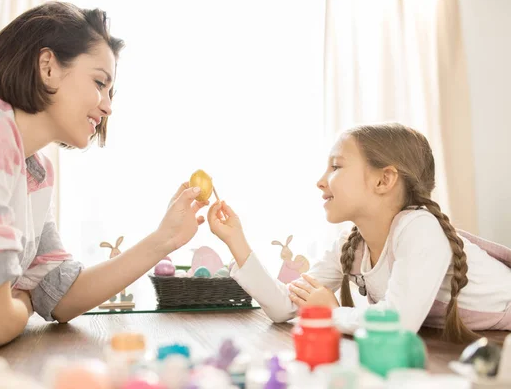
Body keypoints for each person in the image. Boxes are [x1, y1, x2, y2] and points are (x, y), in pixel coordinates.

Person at [0, 1, 208, 358]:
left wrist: (164, 239)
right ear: (48, 67)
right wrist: (20, 303)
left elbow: (59, 294)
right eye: (100, 82)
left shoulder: (32, 171)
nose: (108, 105)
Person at [208, 123, 511, 342]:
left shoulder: (419, 228)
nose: (321, 181)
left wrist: (330, 313)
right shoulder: (352, 244)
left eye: (336, 166)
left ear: (384, 180)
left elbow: (399, 324)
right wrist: (236, 240)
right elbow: (287, 307)